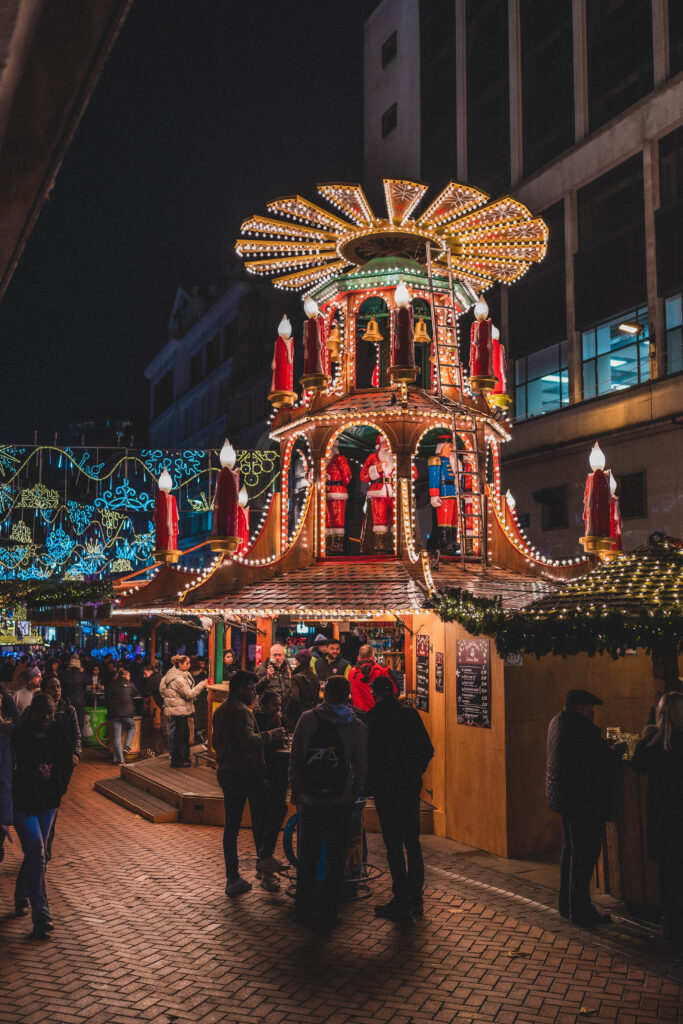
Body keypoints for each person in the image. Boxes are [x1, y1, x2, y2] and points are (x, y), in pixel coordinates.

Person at [289, 674, 367, 932]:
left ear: (326, 694)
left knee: (308, 855)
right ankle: (330, 911)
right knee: (336, 857)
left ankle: (302, 908)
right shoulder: (356, 726)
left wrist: (296, 791)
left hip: (311, 799)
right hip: (340, 799)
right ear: (347, 696)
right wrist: (354, 792)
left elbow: (296, 758)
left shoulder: (307, 719)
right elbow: (361, 765)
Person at [546, 688, 624, 928]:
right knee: (583, 856)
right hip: (582, 801)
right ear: (580, 708)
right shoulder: (580, 729)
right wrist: (618, 750)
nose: (592, 712)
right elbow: (598, 762)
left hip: (564, 798)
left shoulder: (558, 722)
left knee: (571, 851)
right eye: (590, 708)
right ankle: (581, 910)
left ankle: (567, 905)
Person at [212, 671, 287, 895]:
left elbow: (217, 742)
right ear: (243, 688)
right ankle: (264, 857)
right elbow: (247, 741)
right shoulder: (242, 711)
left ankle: (232, 878)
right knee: (278, 807)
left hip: (226, 772)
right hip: (245, 774)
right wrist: (272, 734)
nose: (255, 693)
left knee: (232, 828)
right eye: (253, 688)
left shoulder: (221, 710)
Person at [366, 675, 434, 921]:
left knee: (393, 845)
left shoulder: (374, 720)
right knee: (412, 844)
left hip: (387, 792)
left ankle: (400, 898)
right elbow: (428, 750)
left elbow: (369, 759)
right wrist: (414, 773)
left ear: (376, 694)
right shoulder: (410, 715)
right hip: (409, 789)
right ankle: (416, 899)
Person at [12, 692, 72, 938]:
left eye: (50, 713)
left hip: (48, 802)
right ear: (34, 712)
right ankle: (42, 914)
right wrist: (30, 773)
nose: (46, 717)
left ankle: (20, 893)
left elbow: (66, 764)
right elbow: (11, 770)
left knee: (36, 855)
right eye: (42, 713)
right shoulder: (19, 735)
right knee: (36, 850)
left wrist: (56, 783)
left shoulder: (58, 734)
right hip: (23, 803)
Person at [632, 691, 683, 942]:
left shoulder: (652, 742)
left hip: (663, 818)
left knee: (668, 871)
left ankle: (671, 921)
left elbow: (637, 766)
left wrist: (647, 727)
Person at [159, 655, 208, 767]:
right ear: (180, 665)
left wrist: (170, 698)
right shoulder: (178, 678)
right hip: (179, 709)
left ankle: (183, 758)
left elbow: (163, 689)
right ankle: (178, 760)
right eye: (187, 663)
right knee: (180, 735)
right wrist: (202, 684)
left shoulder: (175, 674)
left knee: (182, 733)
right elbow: (189, 694)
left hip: (179, 708)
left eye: (189, 663)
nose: (189, 665)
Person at [254, 690, 288, 802]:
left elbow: (284, 741)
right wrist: (275, 724)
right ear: (263, 706)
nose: (278, 708)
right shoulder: (257, 719)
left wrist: (278, 724)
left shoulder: (281, 719)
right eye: (274, 705)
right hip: (264, 766)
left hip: (279, 766)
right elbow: (261, 741)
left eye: (280, 705)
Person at [106, 668, 139, 766]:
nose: (130, 677)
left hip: (114, 714)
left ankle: (119, 760)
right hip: (127, 714)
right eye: (129, 676)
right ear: (124, 676)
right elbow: (135, 693)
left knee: (116, 736)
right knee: (132, 727)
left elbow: (107, 697)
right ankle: (127, 746)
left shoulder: (111, 685)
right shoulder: (130, 685)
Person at [348, 644, 395, 713]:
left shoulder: (351, 672)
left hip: (359, 714)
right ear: (373, 656)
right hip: (379, 714)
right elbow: (395, 691)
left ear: (359, 657)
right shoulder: (383, 669)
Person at [287, 649, 319, 730]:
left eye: (296, 660)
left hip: (298, 716)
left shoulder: (295, 678)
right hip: (312, 714)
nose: (295, 662)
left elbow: (294, 697)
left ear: (299, 662)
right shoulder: (314, 677)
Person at [61, 654, 90, 732]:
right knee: (79, 723)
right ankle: (77, 740)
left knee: (69, 722)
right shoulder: (81, 674)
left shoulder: (65, 674)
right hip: (79, 702)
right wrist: (83, 672)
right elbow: (88, 681)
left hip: (68, 702)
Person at [190, 656, 209, 745]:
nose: (202, 665)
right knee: (201, 717)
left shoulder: (189, 675)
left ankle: (198, 733)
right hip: (201, 697)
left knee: (197, 717)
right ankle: (200, 734)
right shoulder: (203, 674)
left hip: (197, 698)